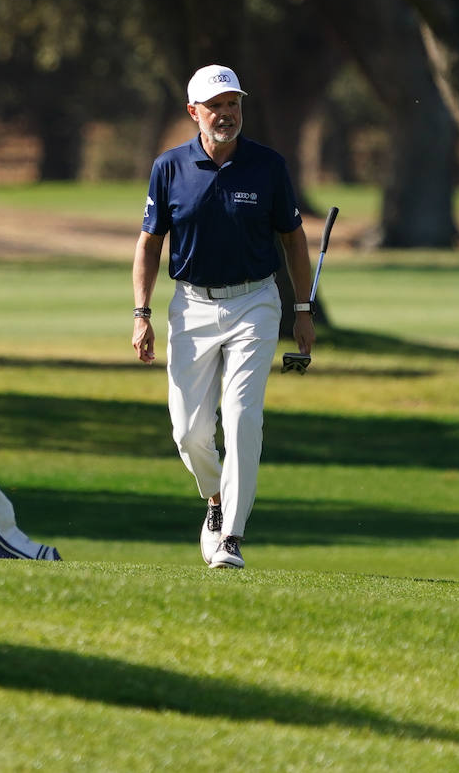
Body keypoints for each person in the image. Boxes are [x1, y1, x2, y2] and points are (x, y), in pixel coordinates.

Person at [132, 63, 315, 570]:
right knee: (189, 433)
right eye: (215, 106)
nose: (226, 114)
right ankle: (214, 499)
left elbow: (293, 240)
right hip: (190, 306)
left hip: (256, 303)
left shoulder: (268, 165)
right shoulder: (169, 167)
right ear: (194, 113)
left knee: (240, 418)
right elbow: (149, 245)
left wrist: (301, 309)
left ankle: (231, 535)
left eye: (233, 104)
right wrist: (141, 312)